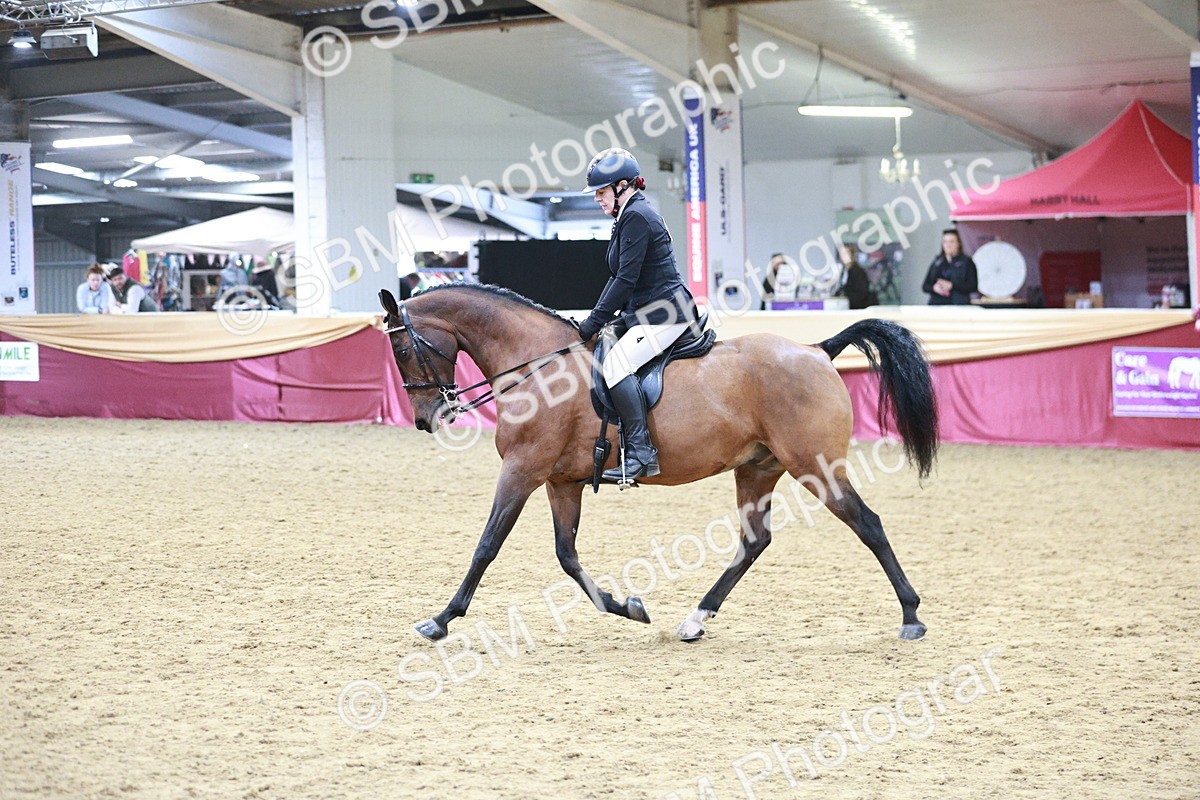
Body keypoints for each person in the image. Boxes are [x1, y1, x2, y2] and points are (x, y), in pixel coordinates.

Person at [577, 147, 698, 483]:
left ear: (622, 187)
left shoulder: (637, 216)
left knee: (616, 365)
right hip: (645, 311)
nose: (597, 200)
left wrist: (592, 322)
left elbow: (625, 280)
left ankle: (642, 453)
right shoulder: (627, 216)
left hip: (666, 314)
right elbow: (618, 279)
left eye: (601, 192)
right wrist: (594, 320)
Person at [922, 229, 978, 305]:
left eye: (951, 242)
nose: (948, 245)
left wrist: (952, 285)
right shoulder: (937, 262)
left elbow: (973, 286)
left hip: (958, 305)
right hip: (937, 305)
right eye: (945, 242)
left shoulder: (966, 262)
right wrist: (934, 288)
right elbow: (925, 286)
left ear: (958, 243)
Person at [839, 244, 878, 310]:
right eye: (842, 254)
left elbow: (861, 293)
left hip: (859, 308)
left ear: (852, 255)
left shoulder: (857, 272)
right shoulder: (844, 271)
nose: (844, 256)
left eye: (846, 253)